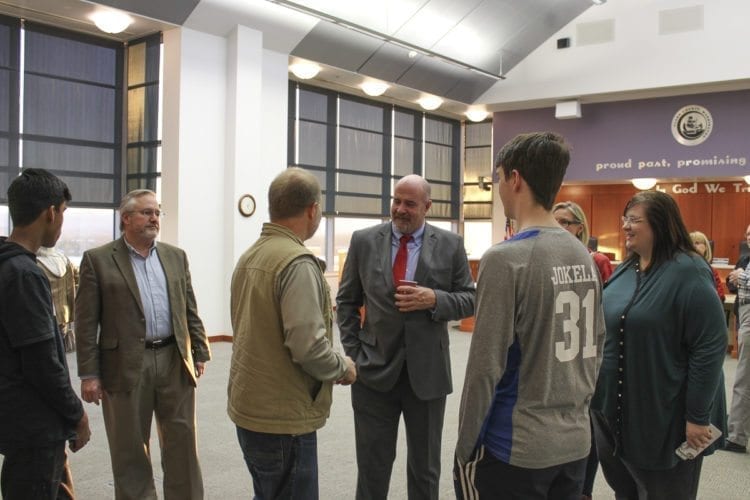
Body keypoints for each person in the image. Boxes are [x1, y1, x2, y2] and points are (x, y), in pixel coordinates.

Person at [455, 132, 605, 499]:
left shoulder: (505, 259)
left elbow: (484, 367)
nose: (499, 189)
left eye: (498, 179)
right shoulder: (583, 255)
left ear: (515, 179)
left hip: (516, 446)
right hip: (574, 442)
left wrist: (465, 447)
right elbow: (596, 348)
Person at [337, 174, 475, 500]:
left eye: (409, 203)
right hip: (373, 372)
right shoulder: (364, 241)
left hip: (427, 376)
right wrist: (354, 351)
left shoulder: (451, 245)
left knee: (425, 470)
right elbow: (345, 302)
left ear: (427, 206)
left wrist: (436, 300)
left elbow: (470, 298)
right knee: (372, 467)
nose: (400, 209)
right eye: (396, 201)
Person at [228, 167, 357, 499]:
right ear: (313, 209)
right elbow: (308, 347)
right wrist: (343, 367)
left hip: (250, 407)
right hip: (283, 418)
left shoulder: (251, 255)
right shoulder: (297, 263)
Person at [75, 189, 211, 500]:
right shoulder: (98, 260)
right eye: (146, 212)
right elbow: (85, 323)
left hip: (174, 360)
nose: (154, 218)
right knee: (130, 447)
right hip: (124, 365)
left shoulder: (175, 257)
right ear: (126, 219)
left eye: (157, 212)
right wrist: (89, 374)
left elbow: (189, 307)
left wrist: (199, 350)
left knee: (183, 442)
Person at [590, 191, 727, 499]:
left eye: (634, 220)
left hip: (666, 417)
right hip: (614, 412)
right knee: (625, 490)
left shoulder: (689, 270)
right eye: (625, 219)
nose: (625, 226)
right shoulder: (627, 268)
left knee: (664, 492)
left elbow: (710, 346)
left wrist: (697, 417)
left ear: (661, 224)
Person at [0, 168, 90, 499]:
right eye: (63, 213)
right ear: (50, 212)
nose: (62, 222)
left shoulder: (9, 264)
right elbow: (41, 362)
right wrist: (76, 413)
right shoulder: (24, 274)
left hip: (19, 419)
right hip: (33, 426)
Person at [552, 201, 610, 500]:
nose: (561, 227)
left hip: (585, 354)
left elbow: (605, 312)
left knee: (585, 424)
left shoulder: (596, 261)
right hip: (552, 354)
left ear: (580, 227)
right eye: (556, 220)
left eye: (567, 222)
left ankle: (583, 490)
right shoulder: (545, 259)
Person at [724, 223, 750, 453]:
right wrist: (736, 279)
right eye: (748, 233)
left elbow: (742, 282)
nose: (748, 236)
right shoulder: (745, 260)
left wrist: (742, 278)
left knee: (744, 379)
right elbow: (732, 286)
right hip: (743, 316)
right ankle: (737, 432)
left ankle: (737, 437)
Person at [553, 201, 613, 283]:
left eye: (564, 222)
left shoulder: (598, 261)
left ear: (580, 228)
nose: (557, 227)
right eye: (553, 222)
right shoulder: (546, 260)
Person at [36, 246, 78, 352]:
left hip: (42, 318)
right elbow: (79, 280)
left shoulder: (32, 262)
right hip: (64, 316)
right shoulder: (64, 260)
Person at [690, 230, 725, 302]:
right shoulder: (683, 269)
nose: (693, 246)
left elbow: (721, 296)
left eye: (697, 243)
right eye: (691, 243)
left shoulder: (711, 270)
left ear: (706, 247)